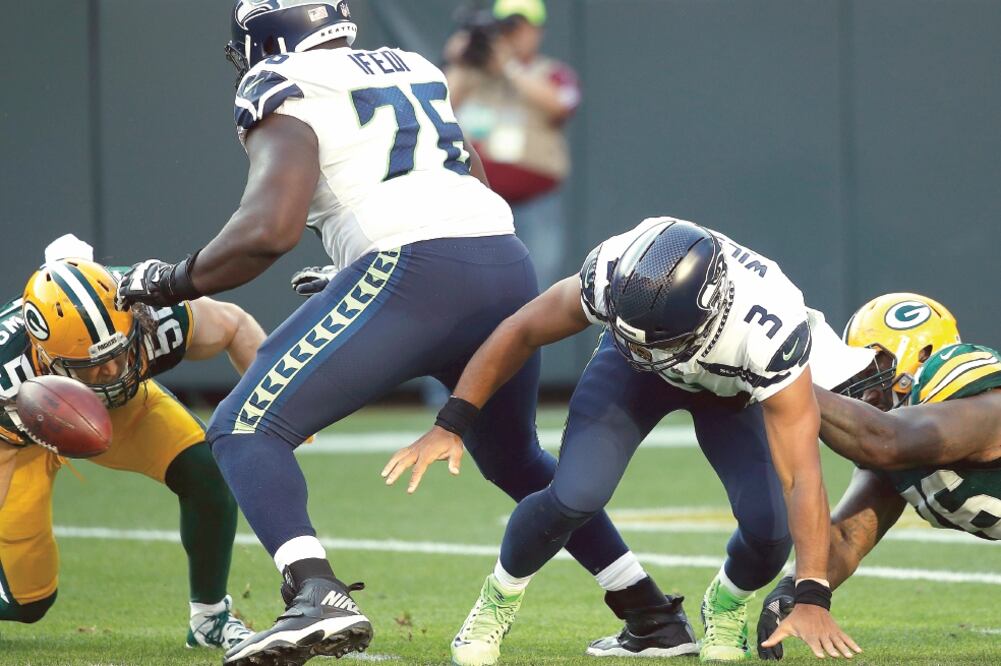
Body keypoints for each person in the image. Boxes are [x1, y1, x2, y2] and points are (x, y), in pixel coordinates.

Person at [116, 3, 693, 664]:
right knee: (515, 460)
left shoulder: (280, 79)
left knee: (243, 427)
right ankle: (650, 615)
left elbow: (267, 231)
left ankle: (315, 592)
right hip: (500, 259)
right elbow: (463, 175)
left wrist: (167, 279)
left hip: (414, 270)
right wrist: (354, 262)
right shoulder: (411, 67)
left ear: (267, 38)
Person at [386, 217, 870, 664]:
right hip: (630, 376)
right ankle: (498, 598)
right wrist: (452, 421)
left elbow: (801, 474)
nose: (648, 349)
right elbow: (520, 330)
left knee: (769, 532)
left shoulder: (768, 328)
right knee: (575, 494)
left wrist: (812, 592)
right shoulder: (617, 269)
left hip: (729, 393)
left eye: (657, 341)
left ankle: (725, 604)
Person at [0, 238, 264, 650]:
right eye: (90, 366)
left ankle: (210, 619)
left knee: (206, 472)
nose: (109, 370)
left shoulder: (152, 310)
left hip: (122, 410)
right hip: (15, 443)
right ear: (45, 358)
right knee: (28, 601)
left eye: (118, 354)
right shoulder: (7, 374)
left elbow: (235, 326)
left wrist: (279, 412)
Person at [757, 293, 1001, 660]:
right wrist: (791, 591)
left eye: (876, 365)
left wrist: (777, 381)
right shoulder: (903, 449)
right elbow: (846, 536)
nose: (867, 387)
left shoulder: (983, 405)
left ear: (922, 354)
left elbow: (885, 439)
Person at [445, 0, 580, 290]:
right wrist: (462, 60)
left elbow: (560, 104)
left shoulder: (550, 72)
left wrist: (509, 65)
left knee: (539, 284)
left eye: (517, 27)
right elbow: (438, 103)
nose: (511, 35)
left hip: (535, 202)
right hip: (480, 202)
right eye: (504, 27)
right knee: (476, 285)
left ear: (536, 31)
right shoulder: (473, 73)